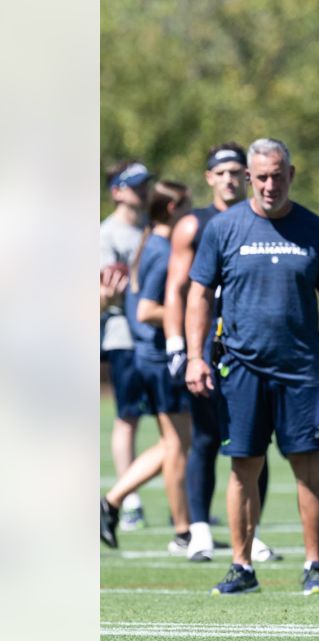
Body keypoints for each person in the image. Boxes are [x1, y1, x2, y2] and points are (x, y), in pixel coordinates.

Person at [186, 137, 319, 595]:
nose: (270, 185)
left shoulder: (317, 230)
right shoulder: (224, 229)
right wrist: (194, 357)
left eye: (278, 176)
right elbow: (199, 296)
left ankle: (315, 566)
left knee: (310, 466)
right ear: (248, 177)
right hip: (241, 369)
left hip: (300, 371)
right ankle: (242, 567)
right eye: (261, 177)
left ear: (291, 175)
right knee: (243, 466)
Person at [163, 142, 281, 563]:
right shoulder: (195, 224)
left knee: (254, 441)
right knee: (208, 437)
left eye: (237, 171)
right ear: (209, 177)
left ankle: (253, 530)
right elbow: (178, 289)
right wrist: (179, 346)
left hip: (250, 346)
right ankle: (199, 531)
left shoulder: (263, 219)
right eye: (222, 172)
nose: (230, 179)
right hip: (208, 346)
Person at [100, 180, 194, 552]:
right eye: (187, 207)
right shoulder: (159, 248)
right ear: (172, 210)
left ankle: (114, 502)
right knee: (176, 444)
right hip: (158, 357)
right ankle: (183, 530)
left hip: (152, 356)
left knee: (176, 442)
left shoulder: (151, 242)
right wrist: (195, 316)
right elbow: (146, 310)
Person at [100, 160, 157, 531]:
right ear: (117, 190)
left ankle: (186, 505)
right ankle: (129, 499)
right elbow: (102, 293)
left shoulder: (153, 229)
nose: (143, 191)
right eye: (134, 185)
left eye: (145, 185)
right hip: (124, 336)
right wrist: (107, 294)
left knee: (175, 421)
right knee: (128, 417)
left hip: (155, 336)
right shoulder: (107, 234)